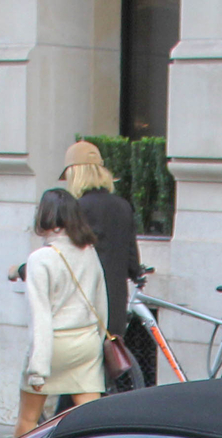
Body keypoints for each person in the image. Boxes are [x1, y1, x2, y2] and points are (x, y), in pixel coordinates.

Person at [15, 188, 106, 438]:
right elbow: (101, 302)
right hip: (86, 341)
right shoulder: (88, 250)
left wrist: (38, 368)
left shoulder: (40, 259)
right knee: (96, 423)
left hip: (54, 345)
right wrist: (97, 341)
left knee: (27, 420)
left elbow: (40, 315)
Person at [61, 141, 150, 386]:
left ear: (75, 174)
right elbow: (133, 262)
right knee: (100, 378)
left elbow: (65, 259)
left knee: (77, 382)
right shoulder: (123, 206)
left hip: (85, 306)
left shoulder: (77, 209)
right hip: (115, 308)